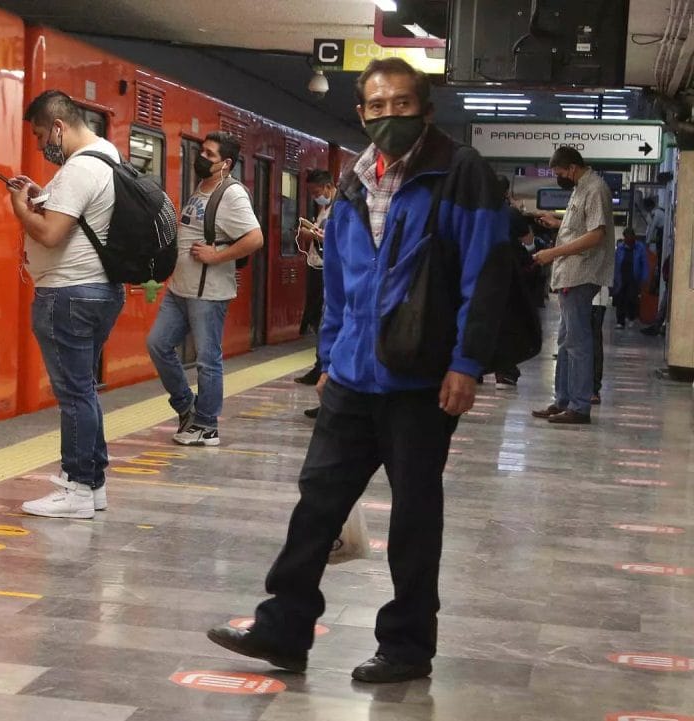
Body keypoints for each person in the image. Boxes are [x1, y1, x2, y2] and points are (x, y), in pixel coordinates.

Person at [206, 57, 508, 684]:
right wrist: (332, 355)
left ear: (425, 110)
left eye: (402, 104)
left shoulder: (458, 173)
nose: (388, 116)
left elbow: (486, 274)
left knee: (415, 517)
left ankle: (406, 646)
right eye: (376, 106)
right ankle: (283, 628)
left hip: (422, 381)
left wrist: (467, 364)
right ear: (362, 112)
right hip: (352, 379)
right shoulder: (354, 178)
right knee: (316, 504)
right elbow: (340, 279)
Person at [7, 89, 124, 519]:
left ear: (58, 126)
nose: (40, 145)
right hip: (99, 291)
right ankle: (93, 485)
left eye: (41, 135)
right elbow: (76, 218)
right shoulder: (108, 155)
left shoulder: (79, 169)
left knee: (75, 395)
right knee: (85, 392)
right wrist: (42, 196)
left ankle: (75, 487)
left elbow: (52, 234)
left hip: (68, 293)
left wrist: (21, 208)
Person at [146, 131, 263, 446]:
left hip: (208, 293)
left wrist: (217, 255)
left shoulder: (232, 194)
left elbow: (255, 238)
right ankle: (186, 406)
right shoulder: (201, 188)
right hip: (180, 289)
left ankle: (207, 425)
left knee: (208, 359)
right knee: (158, 344)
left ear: (225, 163)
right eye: (202, 151)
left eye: (209, 154)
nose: (201, 157)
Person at [531, 147, 614, 425]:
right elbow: (580, 229)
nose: (559, 178)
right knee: (566, 341)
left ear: (572, 167)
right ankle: (563, 400)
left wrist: (553, 253)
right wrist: (558, 224)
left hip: (580, 275)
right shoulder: (580, 187)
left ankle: (579, 406)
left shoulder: (595, 188)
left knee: (577, 342)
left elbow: (595, 235)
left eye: (560, 173)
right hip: (570, 274)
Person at [492, 175, 536, 390]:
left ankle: (473, 371)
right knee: (507, 322)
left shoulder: (476, 210)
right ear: (507, 193)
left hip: (478, 274)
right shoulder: (511, 213)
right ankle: (506, 371)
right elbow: (529, 242)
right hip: (509, 274)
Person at [295, 170, 333, 391]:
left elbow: (335, 239)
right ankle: (320, 366)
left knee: (322, 319)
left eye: (317, 192)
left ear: (328, 187)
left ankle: (323, 367)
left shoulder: (339, 208)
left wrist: (316, 236)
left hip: (325, 269)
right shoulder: (324, 209)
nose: (314, 196)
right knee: (317, 318)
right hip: (316, 266)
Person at [612, 227, 649, 329]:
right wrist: (614, 278)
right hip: (621, 277)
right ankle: (620, 321)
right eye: (626, 238)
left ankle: (631, 317)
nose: (628, 240)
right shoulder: (620, 248)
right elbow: (615, 263)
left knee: (631, 298)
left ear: (634, 237)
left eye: (630, 237)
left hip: (633, 277)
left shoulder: (640, 247)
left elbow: (644, 263)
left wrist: (644, 277)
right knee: (620, 299)